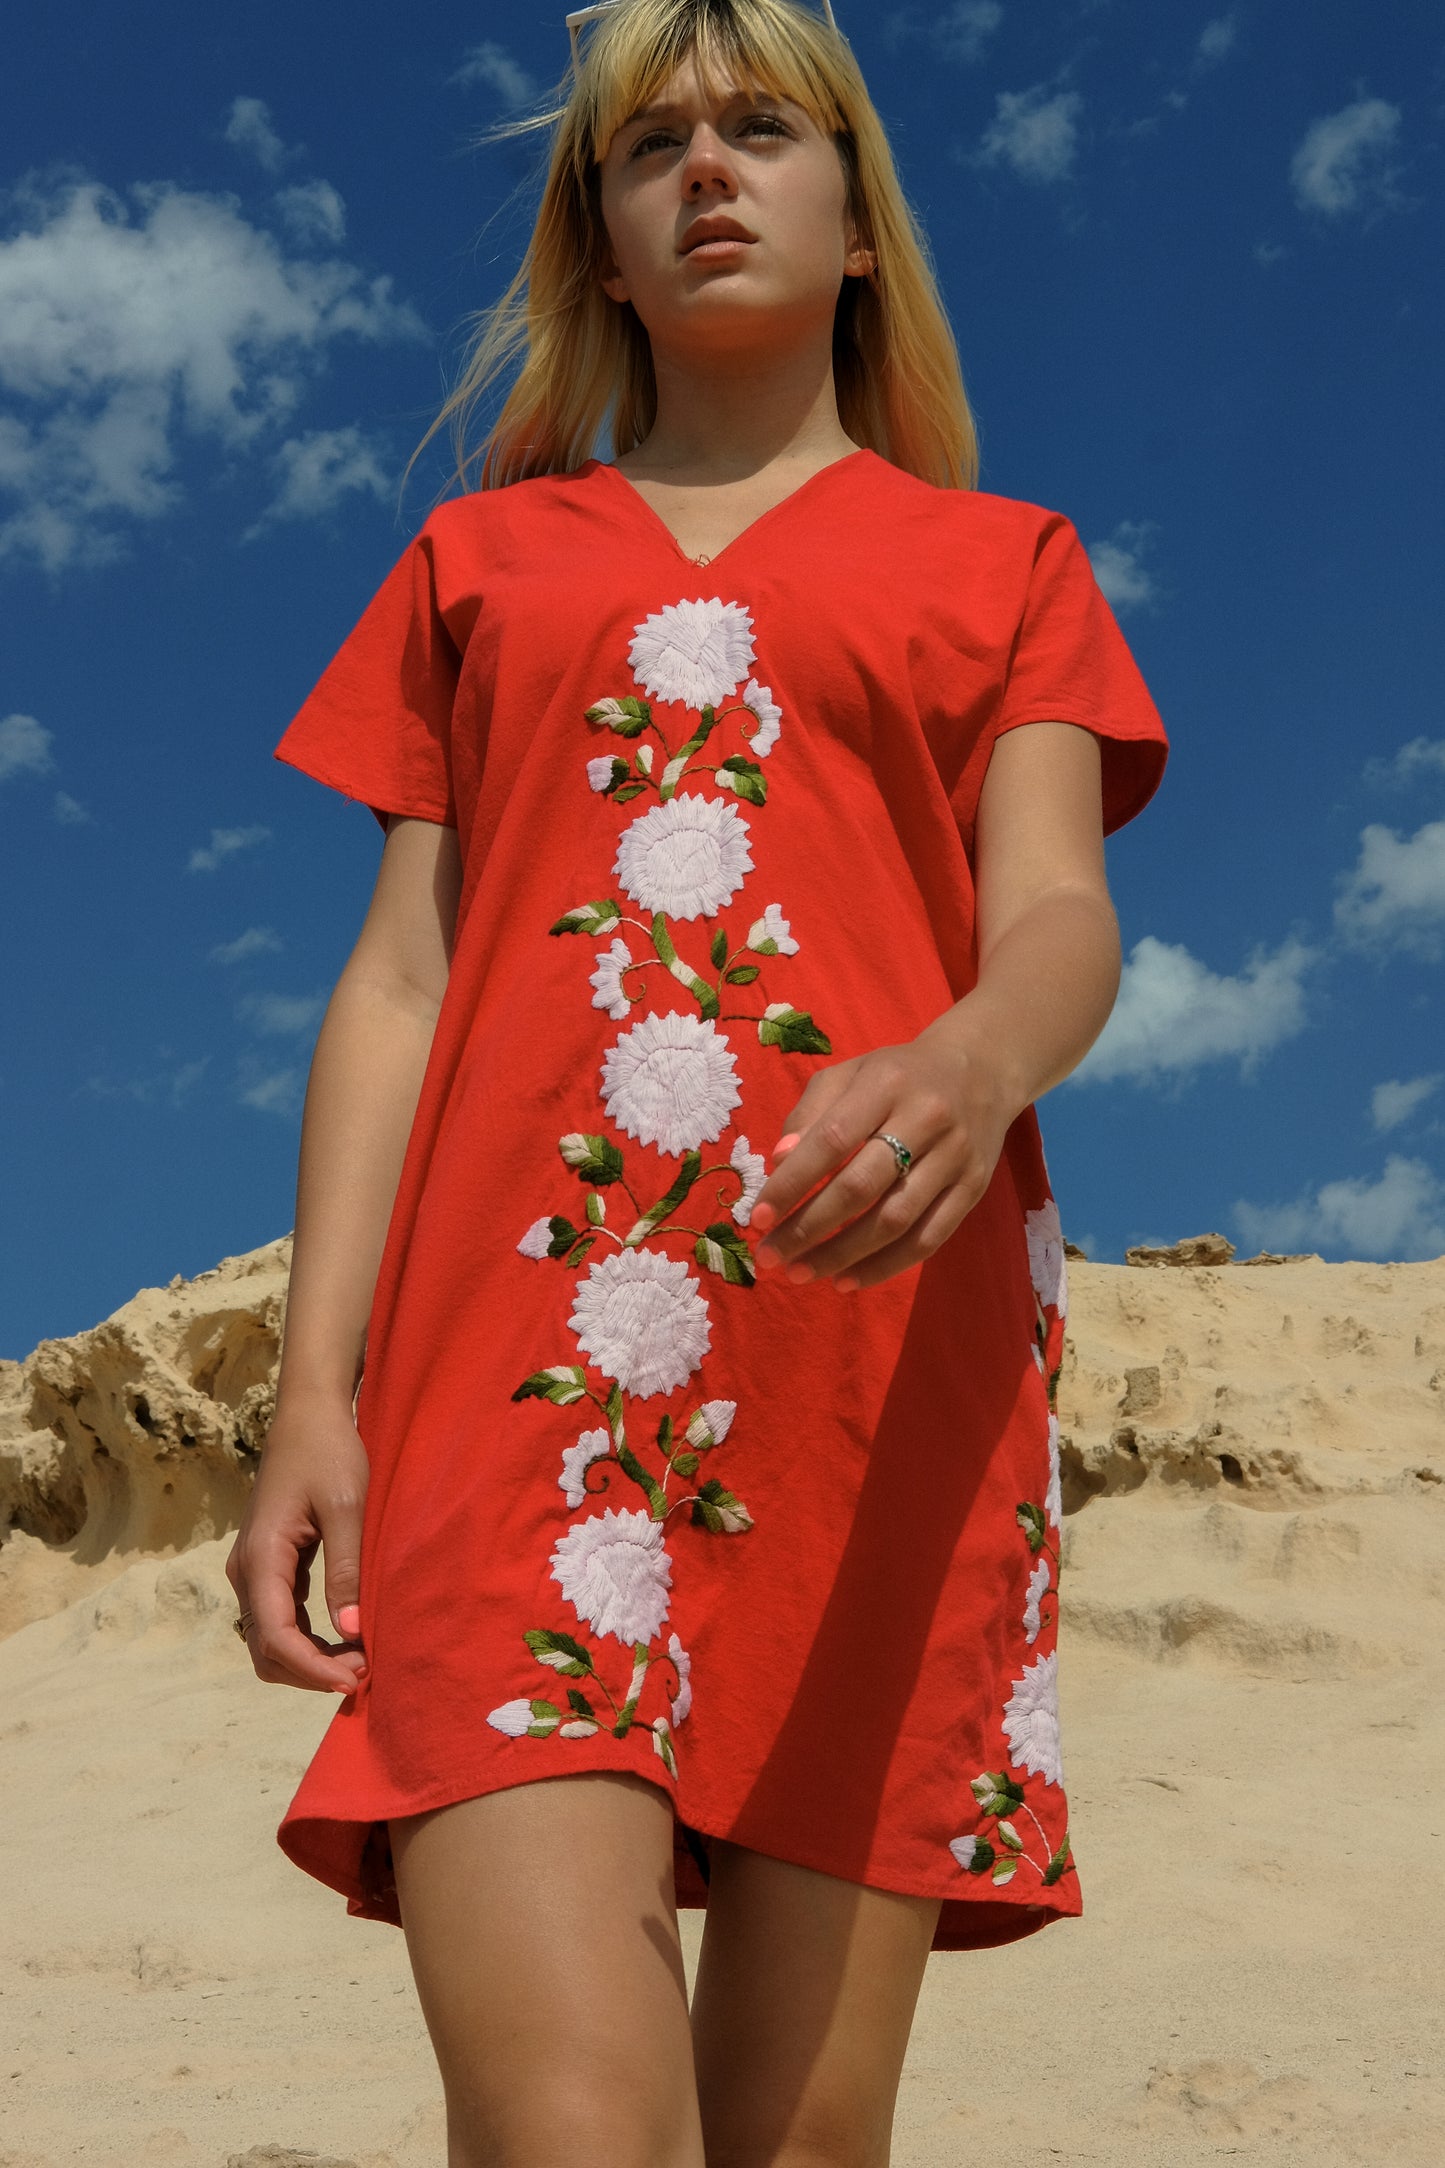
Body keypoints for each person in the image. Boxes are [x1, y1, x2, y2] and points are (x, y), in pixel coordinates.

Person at [226, 0, 1169, 2160]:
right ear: (602, 238)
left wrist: (970, 1055)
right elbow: (400, 978)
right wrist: (315, 1391)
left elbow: (1060, 919)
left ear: (858, 221)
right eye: (652, 146)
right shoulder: (479, 567)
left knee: (798, 2149)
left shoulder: (1004, 563)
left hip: (878, 1399)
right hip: (514, 1395)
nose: (710, 168)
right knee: (575, 2130)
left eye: (763, 129)